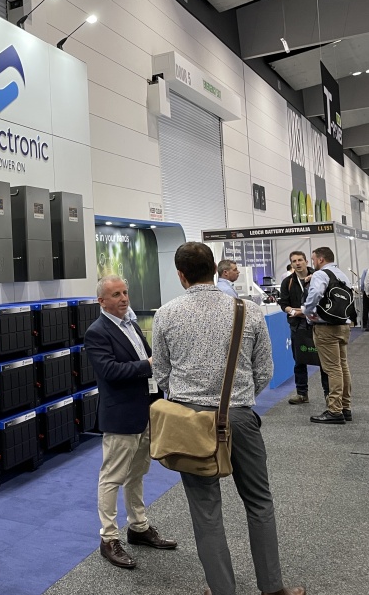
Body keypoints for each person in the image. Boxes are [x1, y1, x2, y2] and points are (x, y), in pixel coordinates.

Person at [152, 242, 304, 595]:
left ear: (181, 275)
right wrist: (238, 401)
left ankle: (222, 590)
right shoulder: (247, 311)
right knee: (259, 502)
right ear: (214, 269)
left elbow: (161, 374)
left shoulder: (166, 314)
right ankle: (273, 588)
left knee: (206, 512)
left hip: (190, 423)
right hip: (240, 418)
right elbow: (264, 370)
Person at [85, 275, 176, 569]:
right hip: (121, 416)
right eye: (116, 294)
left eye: (125, 292)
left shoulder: (132, 325)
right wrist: (148, 365)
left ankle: (138, 527)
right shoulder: (97, 332)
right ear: (102, 301)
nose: (124, 298)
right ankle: (108, 538)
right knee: (112, 478)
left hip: (145, 411)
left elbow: (148, 359)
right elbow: (110, 371)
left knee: (137, 474)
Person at [301, 246, 353, 424]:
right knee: (342, 366)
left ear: (321, 259)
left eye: (313, 259)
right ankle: (345, 407)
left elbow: (316, 293)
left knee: (332, 369)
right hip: (343, 325)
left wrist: (307, 310)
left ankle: (335, 411)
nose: (313, 262)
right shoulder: (342, 275)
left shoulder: (320, 274)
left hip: (326, 328)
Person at [278, 251, 329, 405]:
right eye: (294, 261)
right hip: (297, 325)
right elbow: (284, 304)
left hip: (318, 324)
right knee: (299, 361)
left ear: (306, 261)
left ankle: (328, 395)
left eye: (300, 260)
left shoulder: (319, 277)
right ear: (291, 264)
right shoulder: (287, 282)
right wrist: (293, 311)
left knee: (324, 361)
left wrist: (305, 311)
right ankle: (302, 393)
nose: (297, 263)